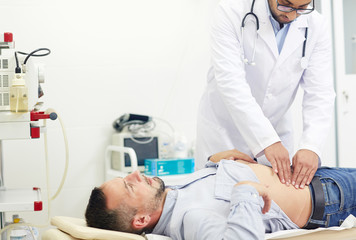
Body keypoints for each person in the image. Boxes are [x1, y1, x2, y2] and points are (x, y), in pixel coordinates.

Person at [195, 0, 336, 189]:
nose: (292, 15)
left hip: (276, 128)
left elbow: (321, 92)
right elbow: (231, 83)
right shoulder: (231, 11)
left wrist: (311, 146)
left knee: (273, 205)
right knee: (219, 200)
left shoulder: (316, 25)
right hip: (224, 131)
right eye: (286, 5)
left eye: (302, 8)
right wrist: (266, 141)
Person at [85, 149, 356, 240]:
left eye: (125, 178)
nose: (134, 175)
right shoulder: (190, 219)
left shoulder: (169, 198)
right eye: (130, 186)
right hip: (331, 198)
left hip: (316, 177)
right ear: (141, 220)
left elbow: (213, 194)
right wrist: (246, 192)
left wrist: (216, 162)